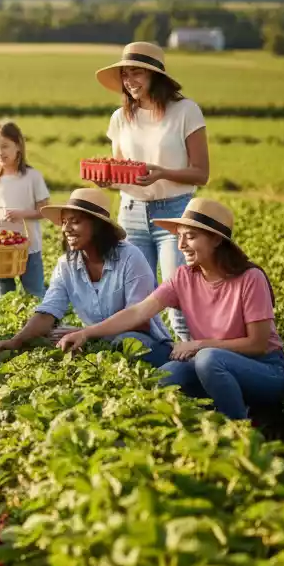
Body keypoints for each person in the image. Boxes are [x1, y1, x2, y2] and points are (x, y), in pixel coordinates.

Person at [57, 198, 284, 421]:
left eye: (190, 237)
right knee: (164, 378)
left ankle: (239, 428)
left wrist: (199, 345)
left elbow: (257, 344)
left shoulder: (251, 278)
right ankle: (209, 416)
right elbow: (138, 312)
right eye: (179, 237)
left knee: (208, 359)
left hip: (265, 371)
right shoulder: (184, 277)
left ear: (217, 240)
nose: (181, 246)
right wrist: (85, 333)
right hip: (208, 364)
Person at [95, 42, 209, 341]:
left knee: (178, 296)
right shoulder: (120, 117)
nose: (130, 81)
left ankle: (193, 356)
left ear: (155, 76)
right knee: (136, 300)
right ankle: (154, 361)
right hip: (131, 212)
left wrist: (162, 172)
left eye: (137, 73)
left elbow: (201, 172)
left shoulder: (186, 111)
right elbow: (122, 170)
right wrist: (109, 179)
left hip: (174, 212)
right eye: (125, 75)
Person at [0, 188, 172, 367]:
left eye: (75, 221)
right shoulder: (66, 264)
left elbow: (138, 319)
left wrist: (87, 333)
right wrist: (16, 341)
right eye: (64, 222)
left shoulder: (130, 257)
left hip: (145, 343)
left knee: (124, 342)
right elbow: (48, 311)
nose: (66, 228)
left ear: (97, 226)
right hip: (99, 343)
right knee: (45, 336)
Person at [0, 119, 50, 299]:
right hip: (0, 249)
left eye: (5, 146)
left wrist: (22, 214)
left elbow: (45, 210)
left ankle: (41, 324)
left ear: (18, 146)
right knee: (4, 294)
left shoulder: (32, 177)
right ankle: (11, 326)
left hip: (29, 246)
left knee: (35, 293)